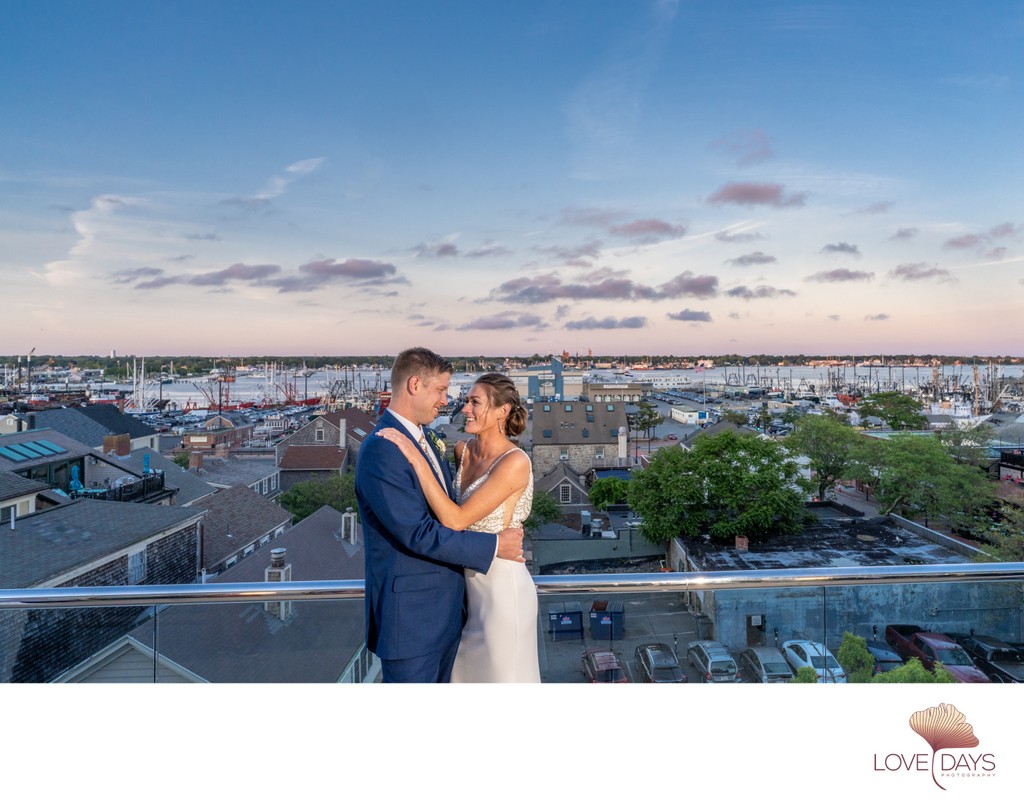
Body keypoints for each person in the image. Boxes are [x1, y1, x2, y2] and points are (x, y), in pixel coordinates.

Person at [356, 348, 524, 683]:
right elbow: (417, 533)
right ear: (415, 385)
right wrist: (493, 546)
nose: (446, 401)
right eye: (441, 390)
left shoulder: (424, 440)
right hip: (412, 623)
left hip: (449, 616)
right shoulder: (382, 449)